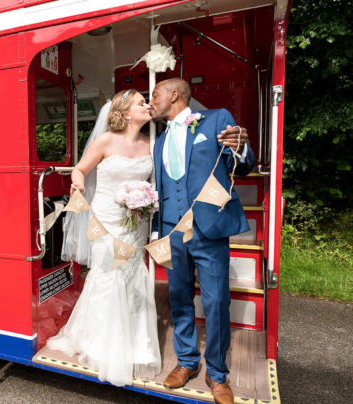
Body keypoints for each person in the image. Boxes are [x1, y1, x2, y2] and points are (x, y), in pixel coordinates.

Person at [149, 78, 254, 404]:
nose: (151, 100)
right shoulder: (159, 141)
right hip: (172, 230)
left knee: (216, 302)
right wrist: (157, 231)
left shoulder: (217, 120)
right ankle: (186, 363)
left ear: (174, 95)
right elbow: (162, 190)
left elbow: (245, 166)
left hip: (209, 229)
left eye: (155, 95)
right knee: (179, 299)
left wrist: (240, 147)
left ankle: (217, 374)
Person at [48, 89, 161, 387]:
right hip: (107, 220)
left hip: (137, 223)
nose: (146, 105)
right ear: (125, 113)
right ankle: (100, 344)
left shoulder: (151, 145)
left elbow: (152, 183)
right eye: (140, 102)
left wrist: (147, 201)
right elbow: (80, 170)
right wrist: (78, 186)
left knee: (134, 276)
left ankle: (136, 344)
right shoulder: (105, 141)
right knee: (108, 277)